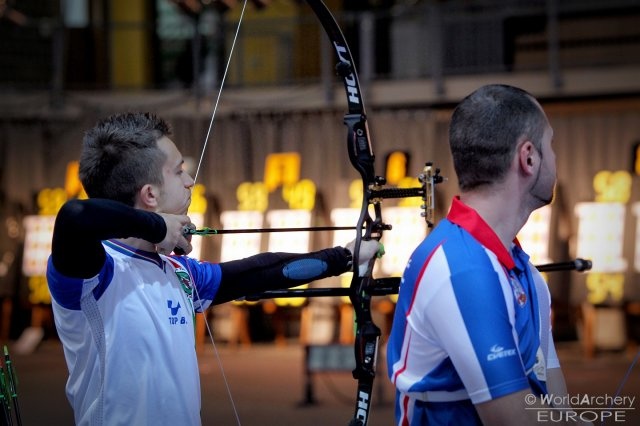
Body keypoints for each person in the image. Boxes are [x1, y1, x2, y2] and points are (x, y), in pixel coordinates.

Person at [46, 112, 381, 426]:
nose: (190, 181)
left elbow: (259, 272)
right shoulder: (95, 273)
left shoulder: (178, 272)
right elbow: (76, 216)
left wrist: (345, 256)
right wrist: (157, 227)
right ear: (149, 194)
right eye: (178, 172)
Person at [387, 84, 583, 425]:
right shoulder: (463, 270)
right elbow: (515, 420)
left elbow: (552, 395)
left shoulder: (521, 269)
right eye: (550, 145)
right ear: (528, 158)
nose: (554, 157)